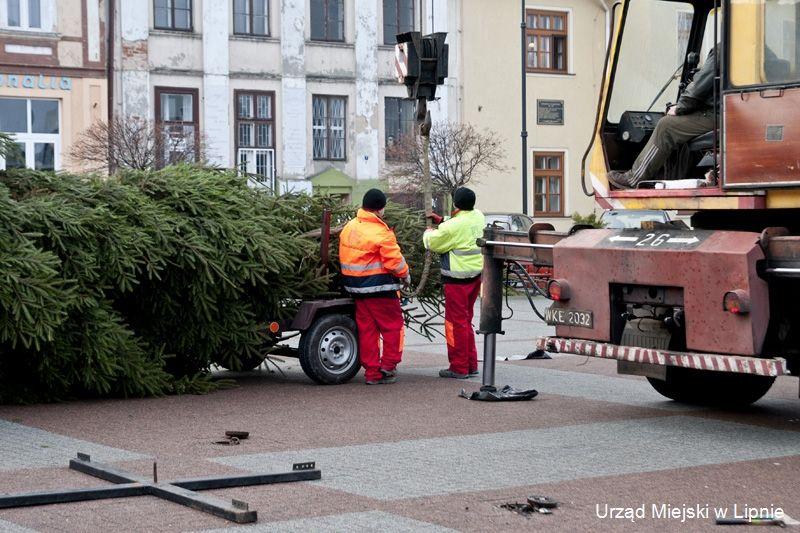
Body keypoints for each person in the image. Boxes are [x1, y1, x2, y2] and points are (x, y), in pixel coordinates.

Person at [607, 46, 718, 189]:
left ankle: (634, 178)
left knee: (666, 126)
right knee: (681, 126)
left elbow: (701, 84)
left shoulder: (723, 47)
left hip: (718, 114)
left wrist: (681, 106)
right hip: (727, 112)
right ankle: (677, 176)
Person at [339, 189, 411, 385]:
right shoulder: (382, 233)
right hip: (380, 288)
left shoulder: (350, 226)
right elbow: (394, 262)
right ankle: (388, 367)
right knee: (393, 327)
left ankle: (372, 372)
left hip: (356, 288)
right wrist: (405, 274)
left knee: (367, 330)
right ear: (380, 209)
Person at [423, 187, 485, 379]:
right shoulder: (478, 216)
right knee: (465, 321)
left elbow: (432, 242)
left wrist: (428, 231)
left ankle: (459, 367)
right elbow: (459, 225)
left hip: (457, 280)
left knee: (455, 324)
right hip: (475, 276)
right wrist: (442, 221)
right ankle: (471, 364)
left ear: (456, 204)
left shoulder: (453, 227)